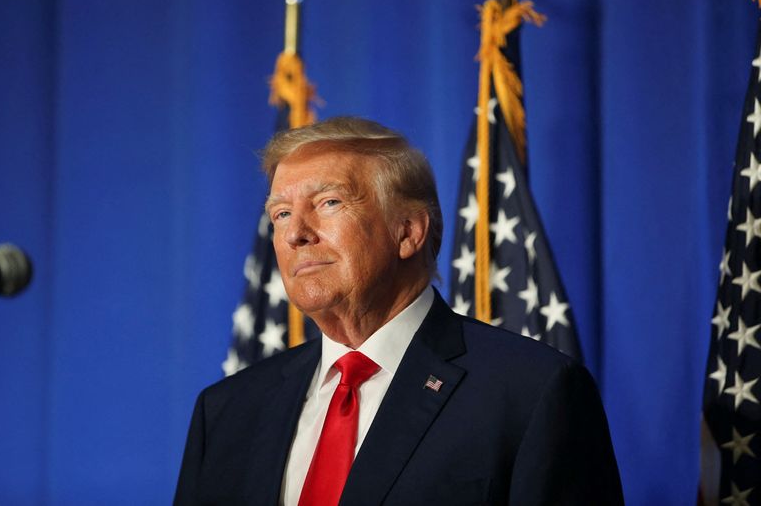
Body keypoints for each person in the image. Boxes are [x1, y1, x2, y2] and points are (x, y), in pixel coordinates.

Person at [174, 117, 623, 505]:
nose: (296, 235)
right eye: (281, 214)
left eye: (329, 203)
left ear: (407, 231)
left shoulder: (531, 392)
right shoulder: (226, 412)